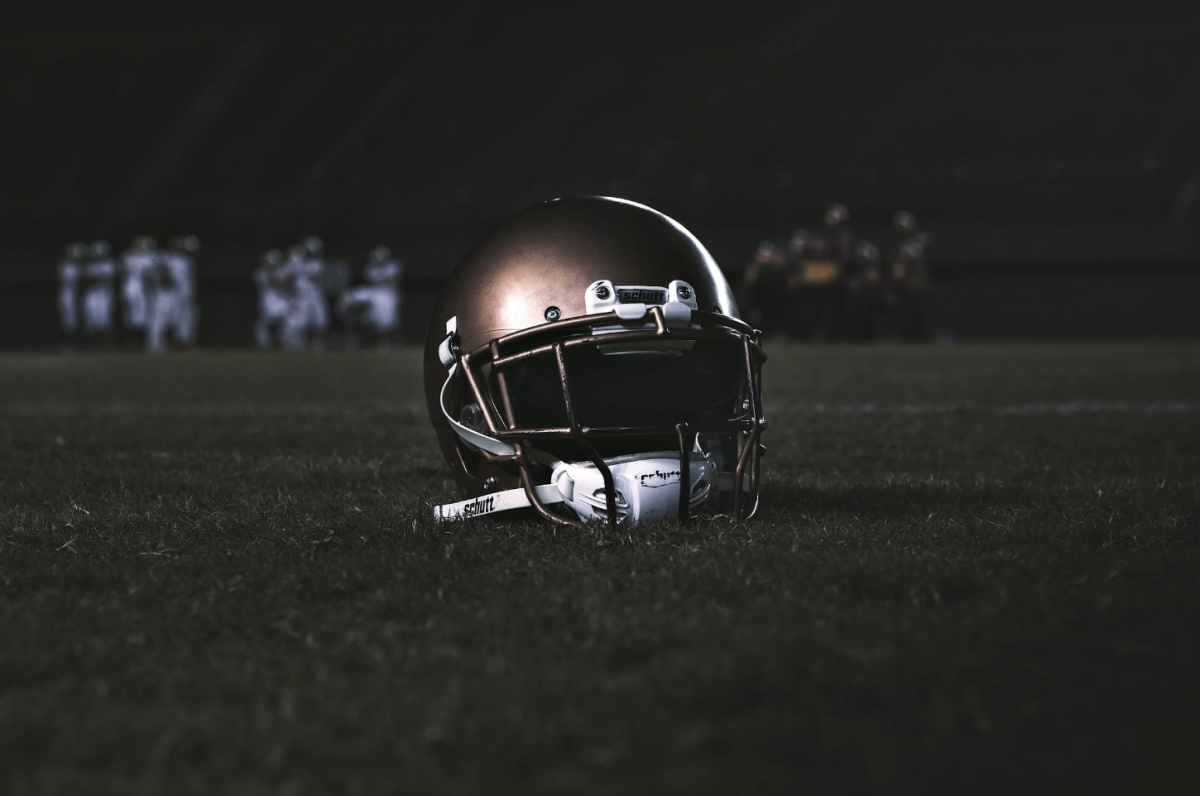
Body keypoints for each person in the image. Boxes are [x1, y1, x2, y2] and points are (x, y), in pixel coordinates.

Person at [341, 246, 404, 348]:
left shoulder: (393, 267)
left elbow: (395, 283)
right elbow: (370, 284)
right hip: (374, 292)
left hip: (388, 293)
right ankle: (352, 328)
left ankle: (386, 338)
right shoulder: (370, 268)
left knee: (387, 319)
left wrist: (398, 295)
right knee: (348, 298)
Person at [147, 236, 200, 352]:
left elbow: (189, 280)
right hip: (166, 293)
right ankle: (155, 345)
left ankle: (182, 344)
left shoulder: (186, 260)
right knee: (160, 318)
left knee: (184, 319)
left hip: (183, 294)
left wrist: (190, 293)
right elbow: (160, 275)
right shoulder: (166, 258)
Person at [280, 244, 327, 350]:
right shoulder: (297, 261)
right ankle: (300, 345)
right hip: (300, 297)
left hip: (315, 296)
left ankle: (317, 346)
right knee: (299, 323)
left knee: (319, 322)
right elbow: (287, 278)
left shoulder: (318, 263)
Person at [119, 235, 159, 350]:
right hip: (134, 289)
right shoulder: (129, 257)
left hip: (143, 290)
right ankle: (134, 342)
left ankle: (143, 342)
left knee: (145, 316)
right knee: (133, 316)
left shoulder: (149, 257)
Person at [81, 240, 117, 349]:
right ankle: (93, 344)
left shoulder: (109, 264)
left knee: (105, 319)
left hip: (104, 294)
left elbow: (109, 280)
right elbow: (85, 280)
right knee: (91, 319)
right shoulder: (88, 265)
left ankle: (106, 343)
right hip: (91, 294)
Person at [253, 248, 288, 349]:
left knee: (283, 322)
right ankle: (263, 343)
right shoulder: (260, 272)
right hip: (266, 301)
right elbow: (271, 281)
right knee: (265, 322)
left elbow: (285, 282)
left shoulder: (281, 271)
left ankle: (281, 342)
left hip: (280, 300)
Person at [57, 242, 86, 350]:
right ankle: (68, 343)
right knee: (68, 319)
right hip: (68, 295)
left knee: (81, 319)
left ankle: (80, 343)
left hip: (79, 295)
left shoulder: (80, 267)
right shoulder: (65, 266)